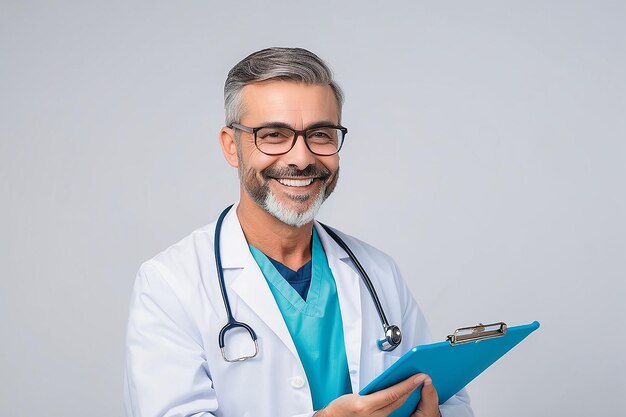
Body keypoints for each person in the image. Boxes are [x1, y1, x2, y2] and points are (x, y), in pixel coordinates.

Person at [124, 47, 474, 417]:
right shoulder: (170, 284)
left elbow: (450, 402)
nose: (302, 158)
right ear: (231, 146)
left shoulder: (378, 271)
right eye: (274, 135)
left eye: (320, 134)